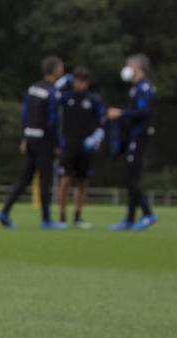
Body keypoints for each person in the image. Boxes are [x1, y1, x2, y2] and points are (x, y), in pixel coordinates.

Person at [0, 56, 65, 229]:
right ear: (55, 70)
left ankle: (4, 211)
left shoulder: (33, 88)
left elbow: (25, 115)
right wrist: (57, 144)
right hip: (45, 141)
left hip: (30, 138)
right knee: (45, 179)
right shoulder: (52, 92)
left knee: (25, 178)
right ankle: (46, 219)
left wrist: (24, 137)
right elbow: (53, 121)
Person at [106, 53, 158, 231]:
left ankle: (148, 214)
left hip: (140, 136)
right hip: (133, 136)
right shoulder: (135, 88)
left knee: (131, 178)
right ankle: (129, 219)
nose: (126, 69)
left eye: (129, 65)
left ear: (138, 68)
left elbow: (143, 113)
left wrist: (121, 113)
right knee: (129, 177)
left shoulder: (145, 87)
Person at [56, 67, 105, 228]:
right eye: (78, 80)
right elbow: (52, 97)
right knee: (65, 181)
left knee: (82, 182)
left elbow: (102, 121)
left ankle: (77, 217)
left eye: (84, 81)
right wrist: (59, 84)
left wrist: (97, 136)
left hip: (86, 146)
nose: (80, 84)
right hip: (69, 145)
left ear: (88, 82)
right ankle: (62, 217)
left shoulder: (94, 100)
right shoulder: (66, 97)